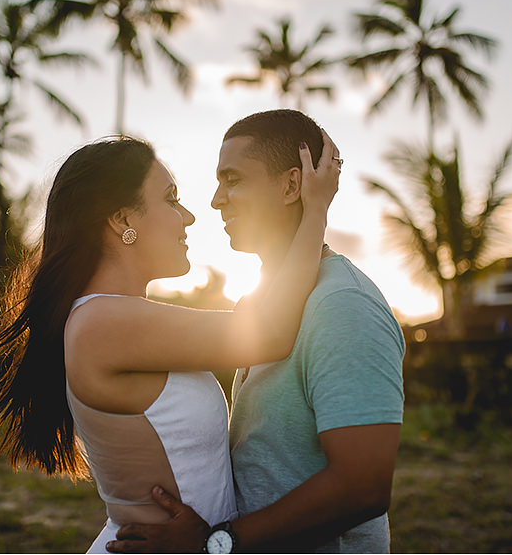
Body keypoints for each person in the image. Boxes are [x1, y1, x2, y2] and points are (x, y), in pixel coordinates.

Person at [0, 132, 341, 554]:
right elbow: (268, 331)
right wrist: (315, 210)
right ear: (123, 221)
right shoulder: (103, 323)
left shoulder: (118, 319)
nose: (189, 217)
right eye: (172, 199)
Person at [106, 109, 406, 554]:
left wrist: (217, 542)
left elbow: (363, 487)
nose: (215, 200)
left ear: (291, 185)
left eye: (233, 179)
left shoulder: (343, 304)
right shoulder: (256, 306)